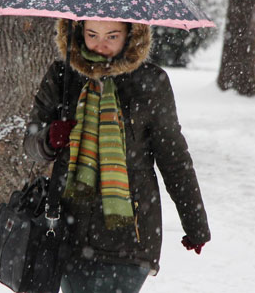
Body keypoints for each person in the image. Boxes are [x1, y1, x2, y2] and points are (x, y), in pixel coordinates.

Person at [23, 19, 211, 293]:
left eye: (112, 35)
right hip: (69, 231)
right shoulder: (63, 76)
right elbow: (30, 143)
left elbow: (174, 159)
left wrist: (195, 224)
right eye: (92, 34)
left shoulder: (150, 82)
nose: (101, 45)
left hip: (130, 236)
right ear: (76, 33)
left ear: (132, 35)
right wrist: (49, 138)